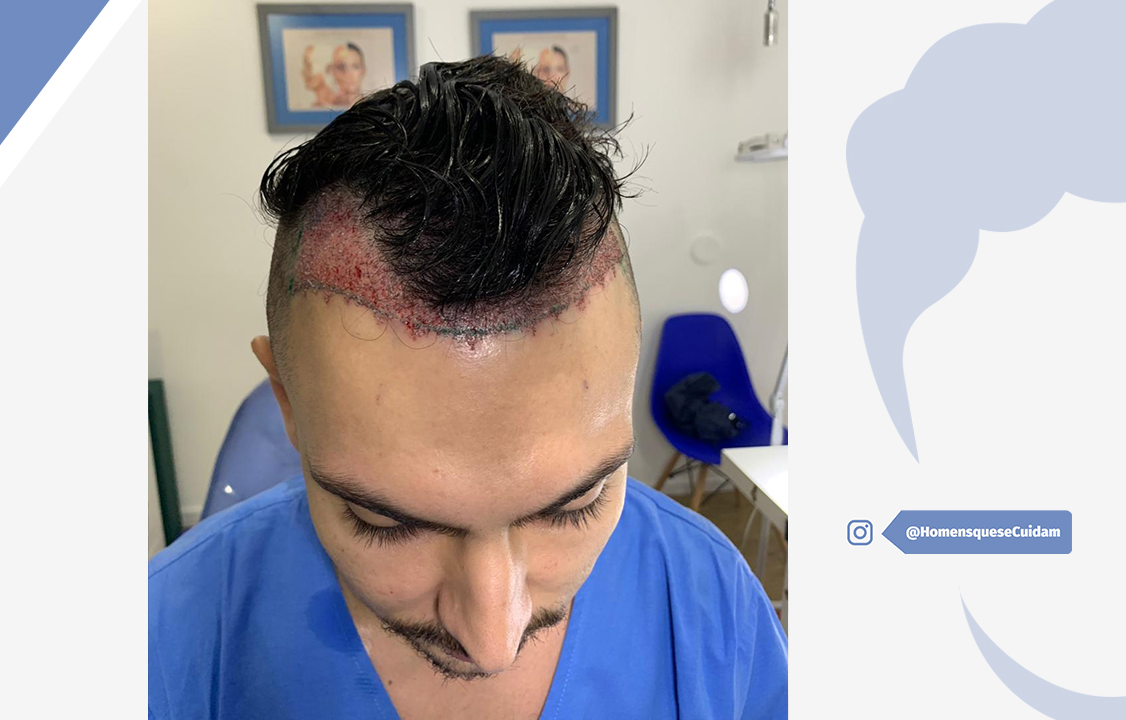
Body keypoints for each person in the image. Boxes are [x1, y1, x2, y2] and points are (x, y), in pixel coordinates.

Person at [148, 55, 788, 719]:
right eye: (385, 524)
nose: (492, 643)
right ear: (285, 400)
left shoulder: (714, 607)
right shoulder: (161, 645)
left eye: (577, 504)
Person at [302, 42, 366, 109]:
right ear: (332, 71)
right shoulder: (322, 108)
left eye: (355, 66)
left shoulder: (370, 107)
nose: (349, 73)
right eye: (341, 67)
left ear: (364, 70)